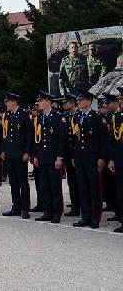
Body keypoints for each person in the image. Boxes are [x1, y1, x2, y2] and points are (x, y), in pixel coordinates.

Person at [71, 89, 108, 229]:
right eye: (78, 100)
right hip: (80, 158)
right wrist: (74, 156)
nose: (78, 102)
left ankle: (95, 217)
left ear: (88, 102)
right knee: (82, 188)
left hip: (93, 158)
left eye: (81, 100)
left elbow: (103, 140)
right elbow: (75, 139)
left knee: (94, 189)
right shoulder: (77, 116)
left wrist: (102, 158)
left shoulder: (97, 117)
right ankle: (85, 216)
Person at [32, 91, 67, 223]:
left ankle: (56, 213)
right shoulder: (40, 118)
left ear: (48, 102)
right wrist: (36, 156)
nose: (39, 103)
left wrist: (59, 157)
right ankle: (47, 212)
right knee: (44, 186)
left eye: (41, 101)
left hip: (53, 157)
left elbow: (61, 139)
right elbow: (38, 139)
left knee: (55, 186)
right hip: (42, 156)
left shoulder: (58, 117)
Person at [1, 92, 33, 219]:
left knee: (23, 182)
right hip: (9, 152)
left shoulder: (24, 115)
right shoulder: (7, 115)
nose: (6, 104)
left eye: (7, 101)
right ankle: (16, 207)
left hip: (20, 153)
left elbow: (29, 135)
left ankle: (25, 208)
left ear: (14, 102)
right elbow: (5, 134)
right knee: (13, 182)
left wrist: (27, 152)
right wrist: (3, 150)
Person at [108, 89, 123, 233]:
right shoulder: (117, 117)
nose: (121, 101)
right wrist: (111, 159)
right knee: (121, 190)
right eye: (120, 99)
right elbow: (113, 139)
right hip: (119, 158)